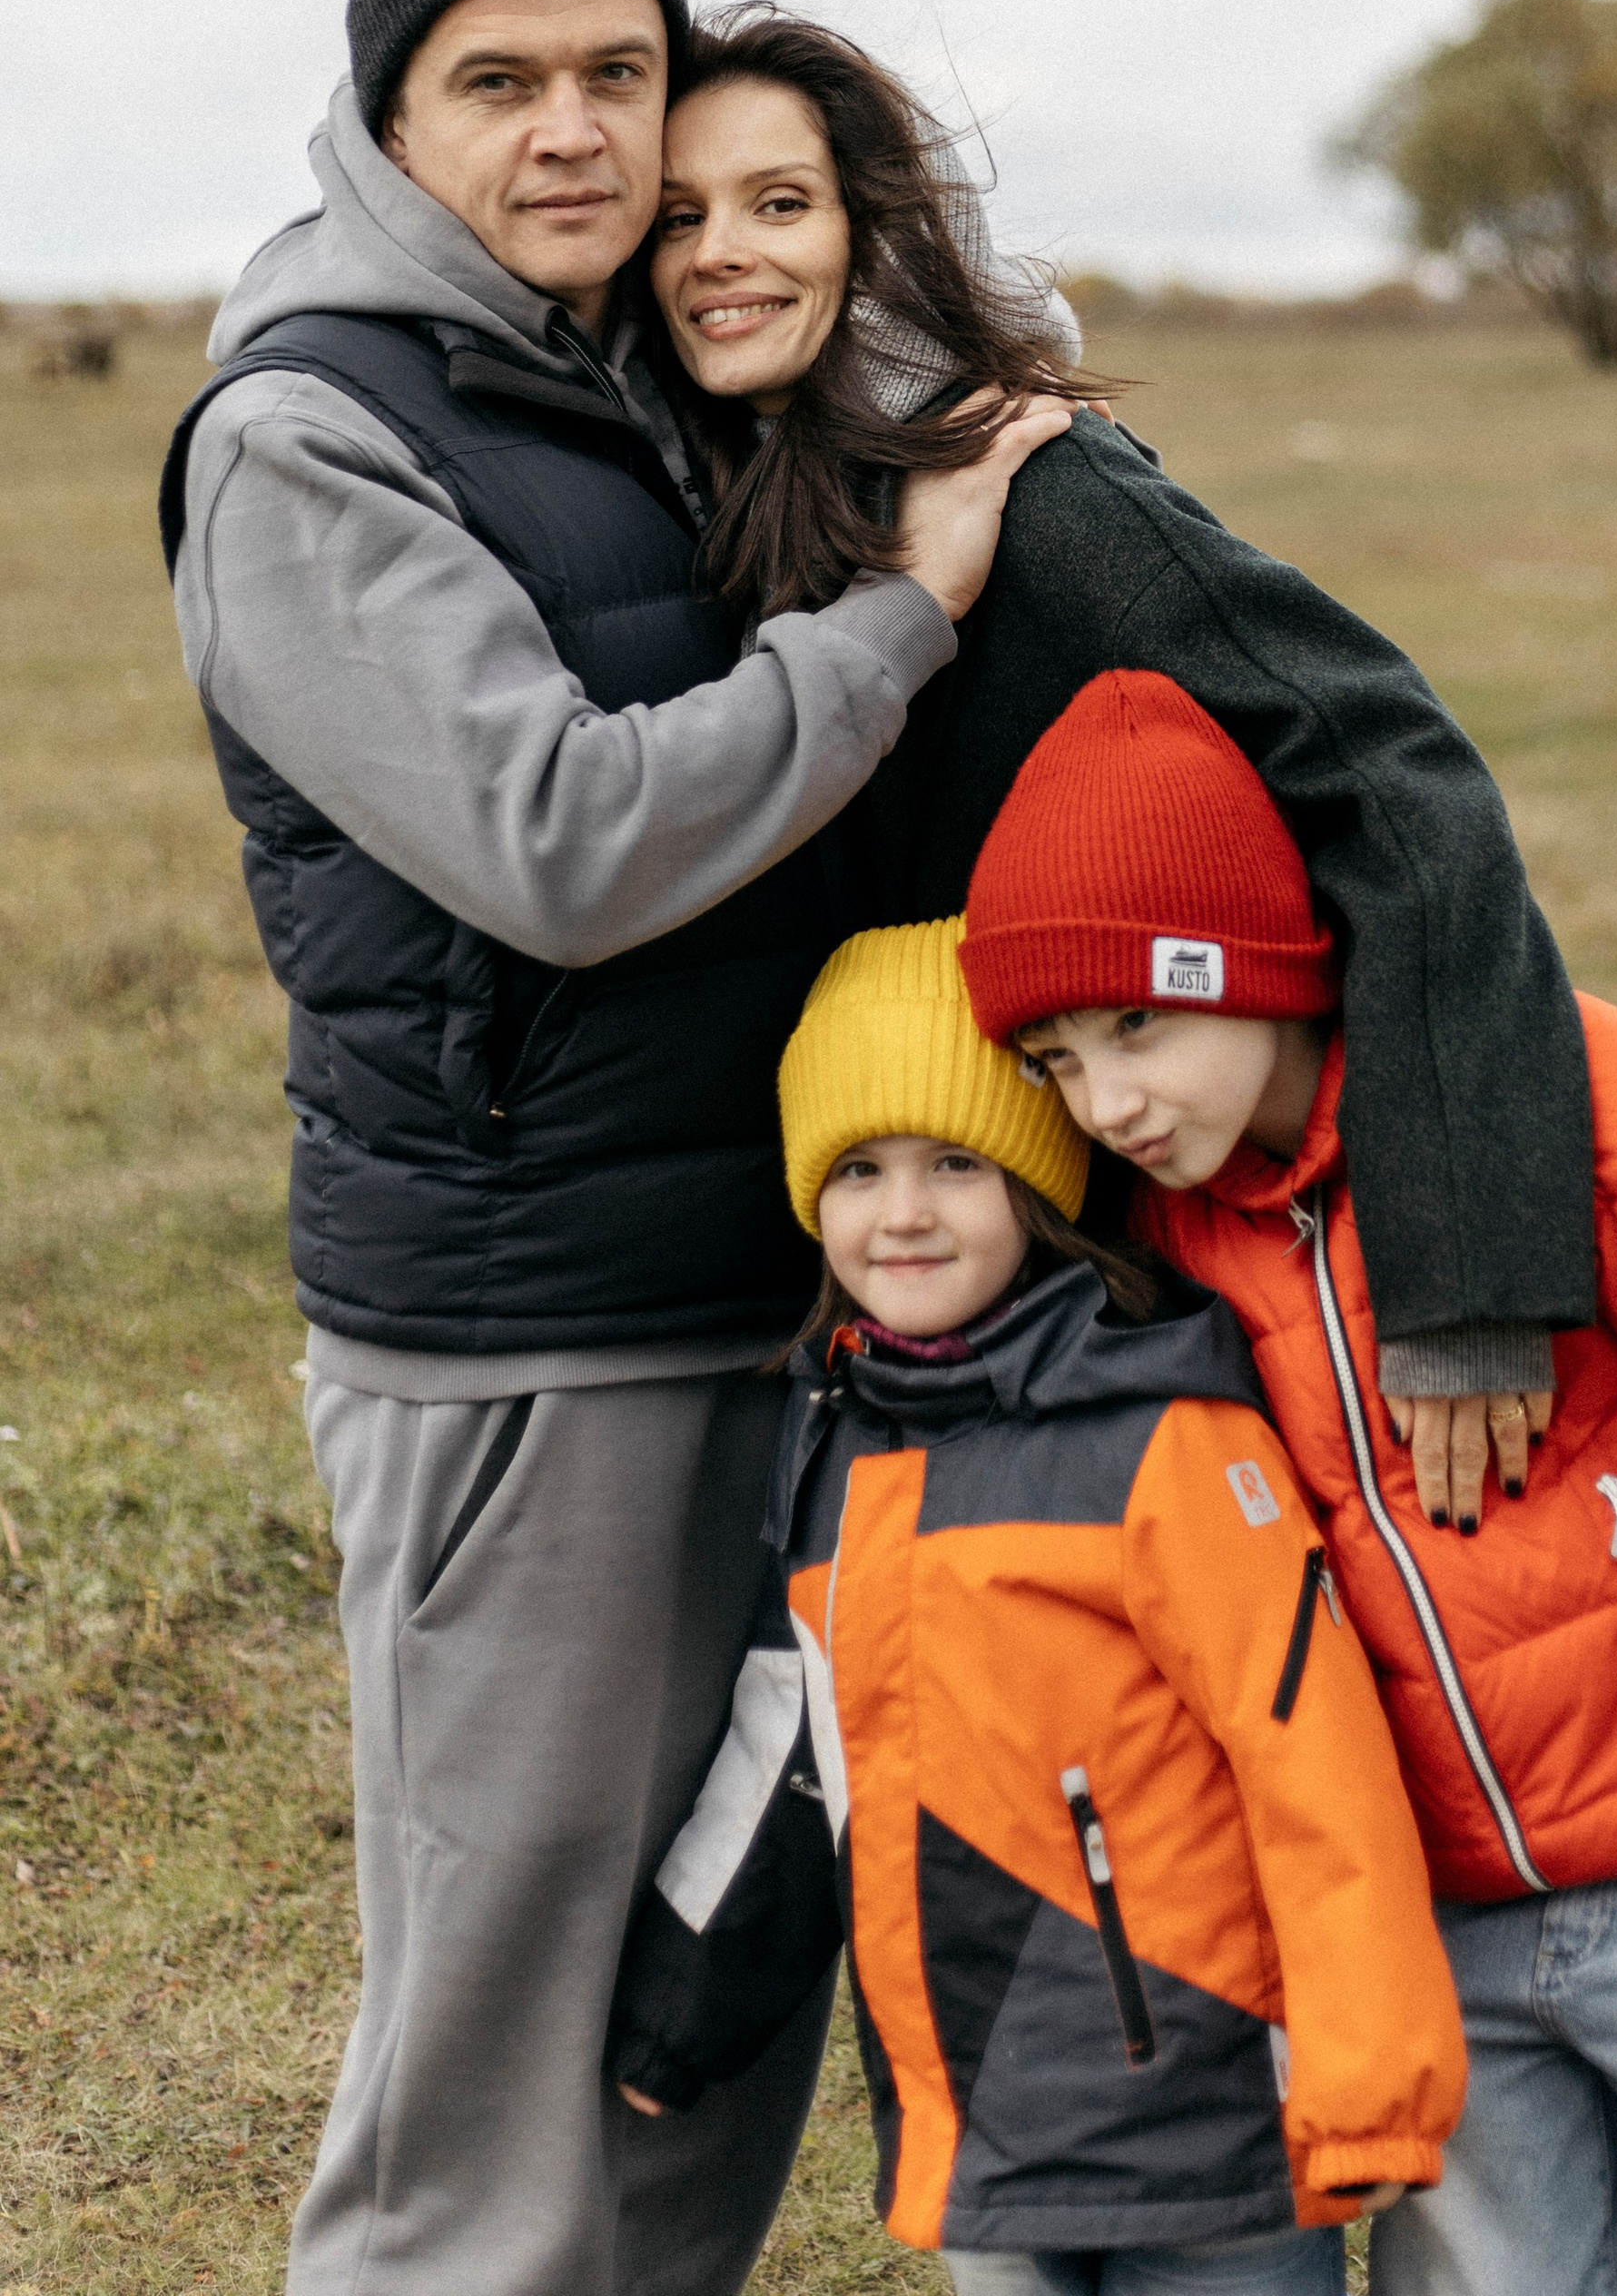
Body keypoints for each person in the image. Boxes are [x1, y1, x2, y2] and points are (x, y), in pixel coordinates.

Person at [161, 0, 1073, 2296]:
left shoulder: (627, 368)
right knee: (499, 2068)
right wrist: (893, 625)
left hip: (765, 1298)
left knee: (708, 2005)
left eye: (615, 71)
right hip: (522, 1349)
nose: (571, 131)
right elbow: (556, 840)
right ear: (388, 112)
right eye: (499, 80)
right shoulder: (308, 437)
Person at [960, 671, 1617, 2296]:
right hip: (1434, 1897)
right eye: (1056, 1060)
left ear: (1260, 969)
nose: (1107, 1103)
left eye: (1139, 1026)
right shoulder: (1158, 1243)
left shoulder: (1579, 1098)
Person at [645, 4, 1602, 1530]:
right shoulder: (745, 487)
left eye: (779, 203)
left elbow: (1398, 781)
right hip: (931, 1220)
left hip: (1135, 1230)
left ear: (873, 232)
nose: (721, 254)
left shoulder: (1033, 482)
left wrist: (1467, 1284)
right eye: (678, 216)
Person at [606, 921, 1469, 2296]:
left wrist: (1373, 2077)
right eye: (859, 1170)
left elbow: (1312, 1755)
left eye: (956, 1163)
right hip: (980, 2128)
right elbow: (789, 1749)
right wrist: (681, 2011)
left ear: (1041, 1184)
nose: (904, 1213)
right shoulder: (833, 1440)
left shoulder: (1167, 1434)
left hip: (1208, 2125)